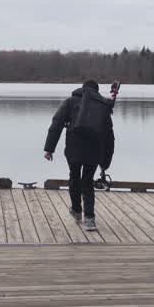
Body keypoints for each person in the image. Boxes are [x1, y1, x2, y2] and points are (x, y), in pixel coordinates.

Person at [44, 80, 115, 231]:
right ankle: (90, 219)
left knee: (74, 176)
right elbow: (109, 134)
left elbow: (56, 124)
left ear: (82, 89)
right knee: (88, 181)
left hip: (73, 148)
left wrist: (49, 149)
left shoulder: (70, 102)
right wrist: (105, 161)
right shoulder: (102, 105)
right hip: (94, 150)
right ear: (96, 91)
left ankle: (76, 210)